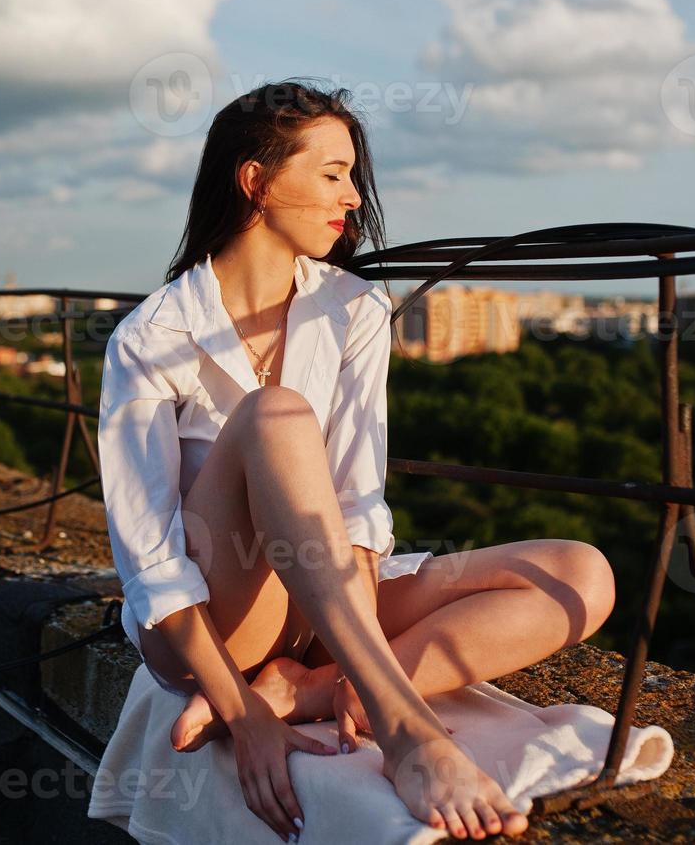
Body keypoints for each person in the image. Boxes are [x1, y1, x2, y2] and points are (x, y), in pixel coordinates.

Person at [97, 79, 615, 842]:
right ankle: (406, 732)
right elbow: (151, 569)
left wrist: (317, 659)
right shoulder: (150, 336)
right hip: (215, 625)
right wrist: (240, 716)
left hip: (327, 599)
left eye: (352, 174)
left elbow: (359, 502)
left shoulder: (354, 309)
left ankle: (309, 690)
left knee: (580, 574)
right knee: (273, 415)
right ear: (256, 180)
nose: (352, 195)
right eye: (332, 172)